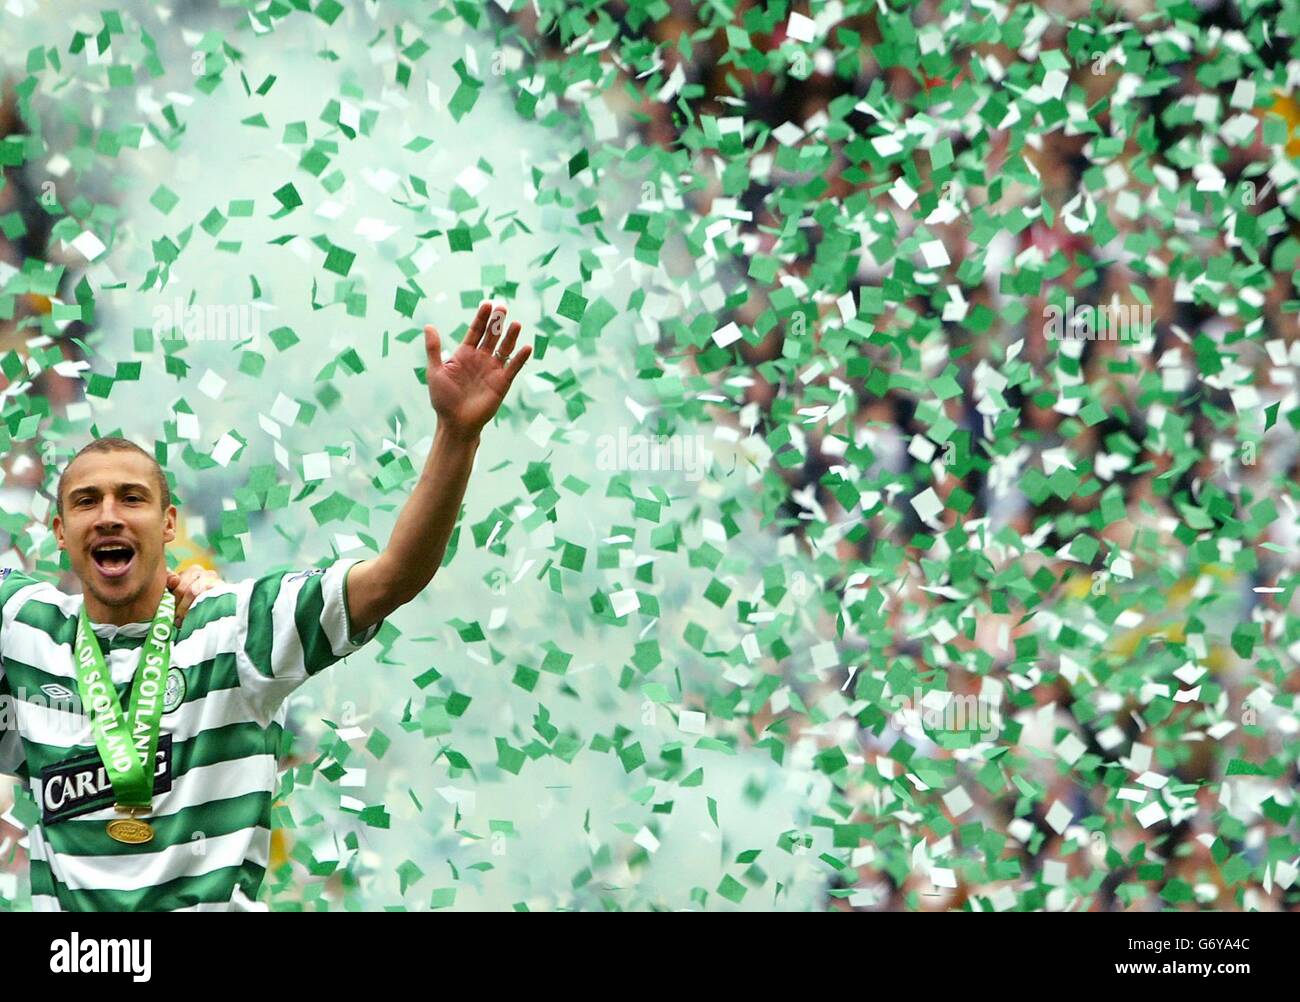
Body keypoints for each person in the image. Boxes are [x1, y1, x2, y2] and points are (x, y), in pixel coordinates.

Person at [0, 300, 531, 911]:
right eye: (87, 501)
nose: (110, 514)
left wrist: (456, 436)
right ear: (60, 531)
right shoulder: (24, 630)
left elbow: (391, 577)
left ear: (168, 523)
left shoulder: (235, 629)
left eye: (132, 498)